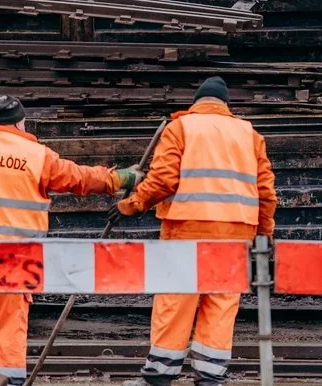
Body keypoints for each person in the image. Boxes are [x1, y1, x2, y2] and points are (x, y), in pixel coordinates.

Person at [0, 95, 142, 385]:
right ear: (18, 123)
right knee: (8, 329)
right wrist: (121, 178)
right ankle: (8, 381)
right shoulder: (38, 156)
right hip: (17, 260)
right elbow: (80, 179)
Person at [115, 77, 277, 386]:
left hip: (187, 225)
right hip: (237, 228)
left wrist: (132, 205)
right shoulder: (249, 134)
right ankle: (211, 376)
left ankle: (159, 376)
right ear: (226, 106)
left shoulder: (181, 128)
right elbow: (266, 192)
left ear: (197, 103)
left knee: (177, 298)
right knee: (221, 300)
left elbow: (163, 180)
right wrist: (264, 233)